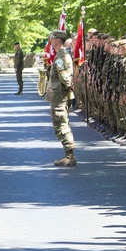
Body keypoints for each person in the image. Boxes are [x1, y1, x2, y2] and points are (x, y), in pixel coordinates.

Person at [46, 30, 76, 166]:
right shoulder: (61, 55)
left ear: (58, 40)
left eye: (52, 38)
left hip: (60, 97)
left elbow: (65, 79)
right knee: (60, 125)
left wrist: (66, 90)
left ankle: (70, 156)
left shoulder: (61, 57)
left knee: (62, 125)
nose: (50, 41)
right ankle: (68, 154)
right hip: (58, 96)